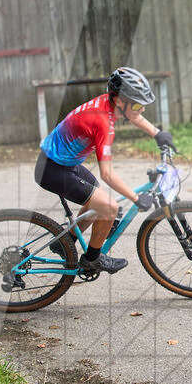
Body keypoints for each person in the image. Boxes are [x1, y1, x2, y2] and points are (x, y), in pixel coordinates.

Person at [34, 67, 174, 274]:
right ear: (119, 100)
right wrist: (136, 198)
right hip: (53, 170)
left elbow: (133, 114)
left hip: (62, 164)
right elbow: (106, 174)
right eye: (138, 104)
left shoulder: (111, 103)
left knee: (97, 200)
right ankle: (92, 259)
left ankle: (64, 242)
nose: (142, 109)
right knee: (109, 207)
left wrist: (157, 133)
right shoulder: (102, 122)